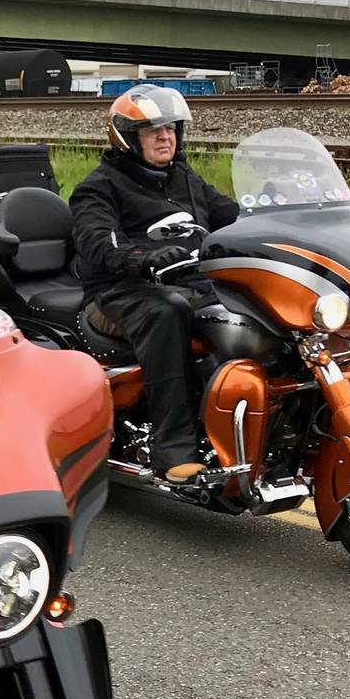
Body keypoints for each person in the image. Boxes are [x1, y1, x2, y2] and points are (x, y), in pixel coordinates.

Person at [71, 85, 240, 484]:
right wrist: (141, 258)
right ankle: (173, 451)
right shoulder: (100, 186)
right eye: (152, 130)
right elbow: (97, 240)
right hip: (120, 291)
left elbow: (229, 214)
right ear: (128, 137)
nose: (165, 137)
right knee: (168, 312)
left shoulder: (183, 177)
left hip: (188, 281)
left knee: (247, 309)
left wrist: (270, 215)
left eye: (171, 128)